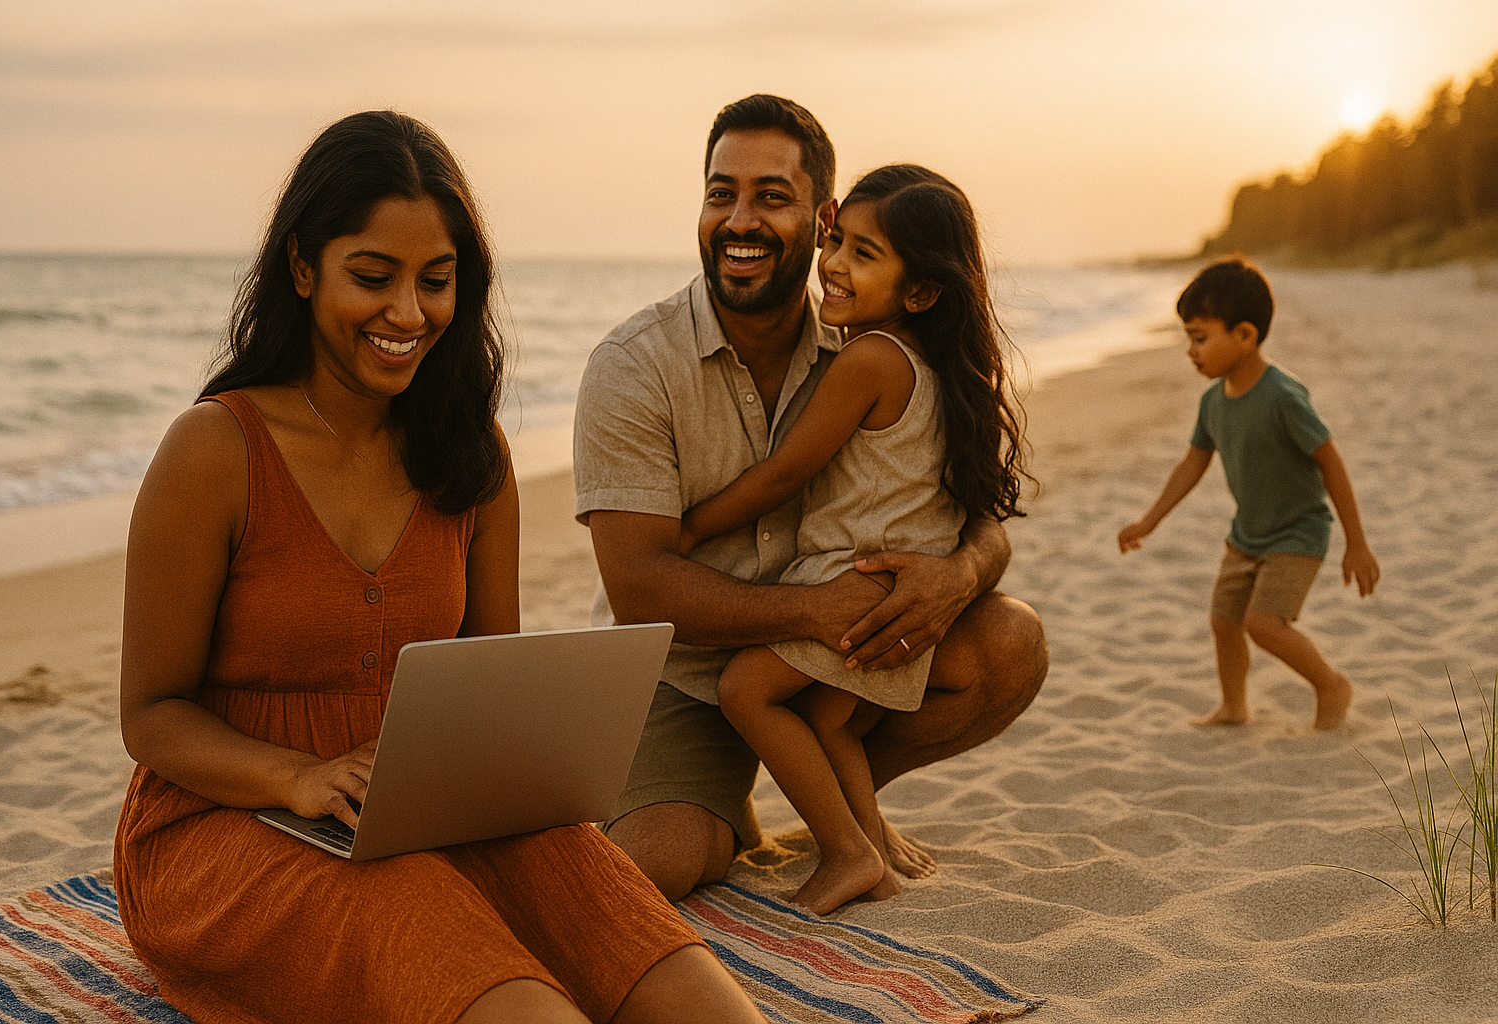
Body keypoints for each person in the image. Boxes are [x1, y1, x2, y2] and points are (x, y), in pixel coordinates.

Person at [114, 110, 764, 1024]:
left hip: (433, 810)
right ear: (302, 267)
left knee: (686, 988)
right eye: (372, 278)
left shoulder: (472, 454)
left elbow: (488, 689)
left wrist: (536, 795)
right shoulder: (215, 451)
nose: (407, 315)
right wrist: (297, 777)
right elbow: (150, 716)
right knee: (512, 1000)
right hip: (222, 825)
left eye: (437, 281)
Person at [573, 94, 1048, 903]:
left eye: (771, 196)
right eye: (721, 194)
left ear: (822, 216)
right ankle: (734, 805)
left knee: (1012, 646)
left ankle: (843, 823)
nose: (740, 220)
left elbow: (981, 519)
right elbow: (638, 589)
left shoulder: (867, 334)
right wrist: (813, 612)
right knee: (665, 858)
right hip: (682, 671)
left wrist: (959, 577)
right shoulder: (634, 365)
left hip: (828, 657)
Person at [673, 165, 1029, 913]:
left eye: (863, 255)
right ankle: (872, 849)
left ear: (922, 291)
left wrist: (692, 524)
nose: (832, 264)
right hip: (898, 580)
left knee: (746, 688)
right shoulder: (938, 368)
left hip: (853, 579)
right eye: (835, 240)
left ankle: (845, 854)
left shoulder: (868, 359)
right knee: (831, 718)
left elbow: (783, 474)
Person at [1117, 256, 1380, 731]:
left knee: (1263, 624)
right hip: (1247, 535)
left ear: (1245, 335)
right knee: (1224, 622)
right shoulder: (1213, 402)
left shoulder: (1282, 396)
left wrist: (1356, 542)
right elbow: (1193, 462)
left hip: (1297, 532)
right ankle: (1234, 707)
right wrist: (1149, 520)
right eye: (1187, 339)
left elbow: (1331, 461)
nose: (1190, 351)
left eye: (1200, 338)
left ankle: (1330, 684)